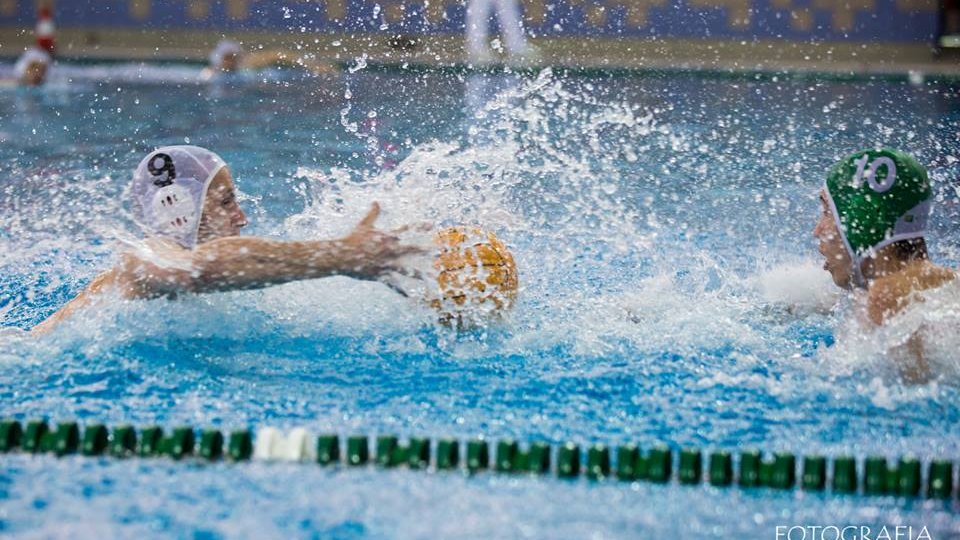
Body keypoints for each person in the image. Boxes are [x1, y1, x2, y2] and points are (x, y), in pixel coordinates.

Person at [31, 145, 427, 334]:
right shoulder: (146, 256)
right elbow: (199, 269)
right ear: (178, 211)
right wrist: (340, 256)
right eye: (226, 202)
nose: (243, 217)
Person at [813, 148, 956, 381]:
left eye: (828, 211)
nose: (817, 230)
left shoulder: (887, 295)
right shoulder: (942, 281)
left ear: (861, 221)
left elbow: (916, 399)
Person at [201, 40, 335, 80]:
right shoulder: (215, 70)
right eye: (226, 58)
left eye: (231, 57)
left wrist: (313, 65)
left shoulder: (248, 62)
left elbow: (278, 54)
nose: (228, 62)